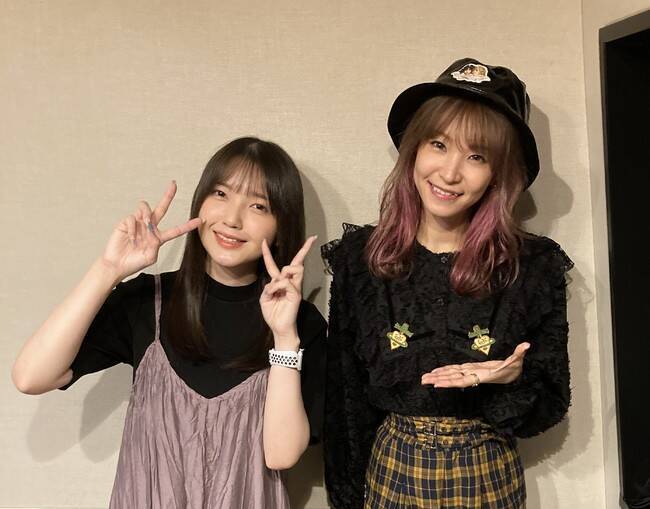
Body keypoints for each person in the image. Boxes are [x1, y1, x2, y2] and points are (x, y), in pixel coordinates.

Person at [12, 136, 326, 508]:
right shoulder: (149, 302)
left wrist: (285, 337)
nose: (232, 219)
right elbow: (31, 376)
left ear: (280, 225)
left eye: (258, 205)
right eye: (221, 194)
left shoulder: (299, 324)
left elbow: (280, 455)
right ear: (201, 201)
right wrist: (109, 269)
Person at [322, 58, 572, 508]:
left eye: (477, 156)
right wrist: (345, 498)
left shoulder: (531, 267)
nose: (451, 172)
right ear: (415, 148)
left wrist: (509, 378)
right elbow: (346, 399)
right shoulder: (362, 259)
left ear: (498, 173)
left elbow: (549, 403)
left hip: (488, 474)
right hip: (391, 472)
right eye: (438, 144)